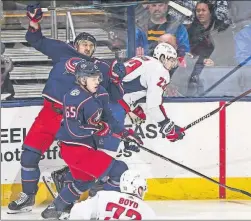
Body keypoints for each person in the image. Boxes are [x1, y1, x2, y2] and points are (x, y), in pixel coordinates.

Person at [7, 3, 115, 214]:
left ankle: (71, 199)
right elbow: (35, 39)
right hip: (49, 113)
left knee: (84, 166)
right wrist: (34, 21)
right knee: (29, 156)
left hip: (77, 120)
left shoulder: (99, 67)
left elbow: (117, 86)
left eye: (91, 46)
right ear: (75, 45)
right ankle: (28, 196)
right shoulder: (64, 52)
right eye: (84, 44)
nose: (87, 48)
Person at [41, 60, 143, 220]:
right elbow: (73, 130)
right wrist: (98, 128)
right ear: (82, 79)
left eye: (98, 77)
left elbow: (108, 118)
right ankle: (100, 210)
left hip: (87, 148)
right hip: (74, 149)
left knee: (84, 181)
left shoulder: (101, 92)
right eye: (92, 78)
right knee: (119, 170)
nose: (97, 81)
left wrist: (125, 133)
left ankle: (55, 208)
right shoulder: (73, 98)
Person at [111, 42, 185, 142]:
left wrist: (131, 109)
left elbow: (120, 84)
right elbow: (153, 105)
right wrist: (167, 127)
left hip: (106, 98)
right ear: (162, 57)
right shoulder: (161, 70)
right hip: (113, 106)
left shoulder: (145, 59)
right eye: (171, 60)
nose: (173, 64)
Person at [69, 170, 156, 220]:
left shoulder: (103, 196)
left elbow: (76, 211)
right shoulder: (147, 210)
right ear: (136, 188)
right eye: (142, 189)